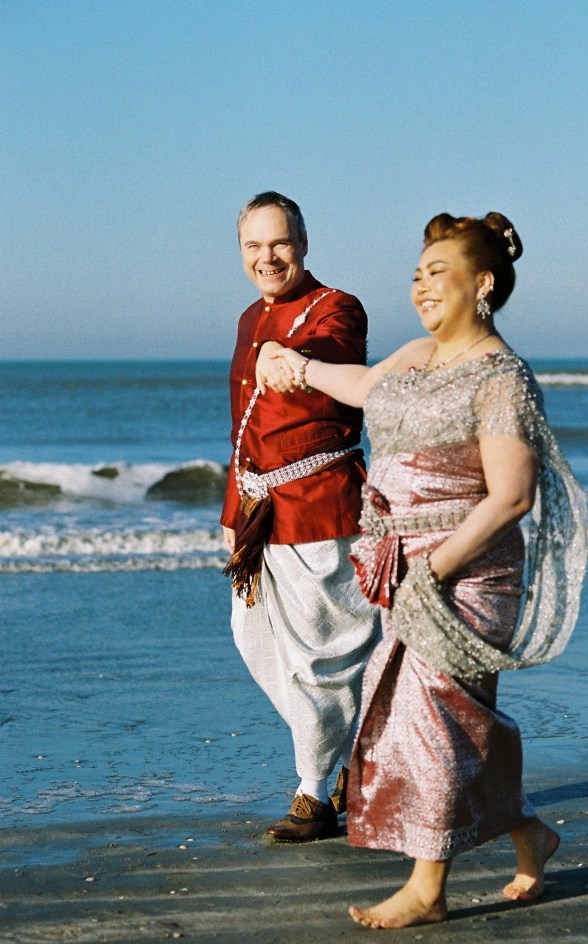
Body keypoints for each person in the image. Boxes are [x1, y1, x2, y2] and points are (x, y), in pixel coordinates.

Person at [258, 210, 587, 926]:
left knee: (430, 714)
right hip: (401, 566)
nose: (422, 286)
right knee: (448, 718)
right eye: (417, 274)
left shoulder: (501, 377)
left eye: (440, 273)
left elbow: (512, 496)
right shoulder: (416, 356)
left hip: (466, 572)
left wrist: (434, 569)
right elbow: (364, 386)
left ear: (485, 284)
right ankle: (530, 835)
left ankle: (427, 888)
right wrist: (298, 365)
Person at [220, 192, 380, 842]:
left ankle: (315, 794)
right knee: (253, 640)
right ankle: (349, 756)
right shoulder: (244, 319)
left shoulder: (338, 306)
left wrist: (278, 356)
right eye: (254, 246)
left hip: (323, 509)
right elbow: (243, 427)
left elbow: (330, 355)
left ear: (304, 243)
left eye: (279, 243)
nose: (268, 257)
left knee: (321, 660)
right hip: (261, 515)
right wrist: (232, 513)